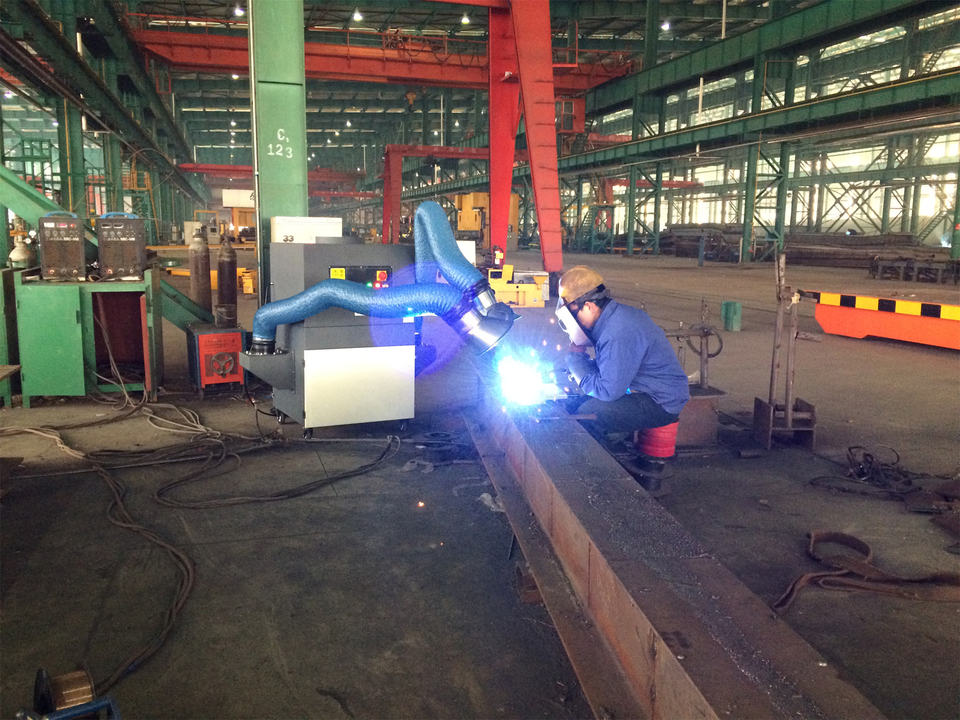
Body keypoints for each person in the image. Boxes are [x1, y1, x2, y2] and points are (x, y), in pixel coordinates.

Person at [555, 265, 689, 445]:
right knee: (576, 401)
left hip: (660, 402)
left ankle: (599, 457)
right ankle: (615, 433)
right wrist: (579, 363)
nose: (574, 322)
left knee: (586, 413)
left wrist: (575, 361)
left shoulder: (616, 332)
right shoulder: (614, 319)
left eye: (574, 314)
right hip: (645, 391)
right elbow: (610, 368)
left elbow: (607, 391)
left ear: (588, 306)